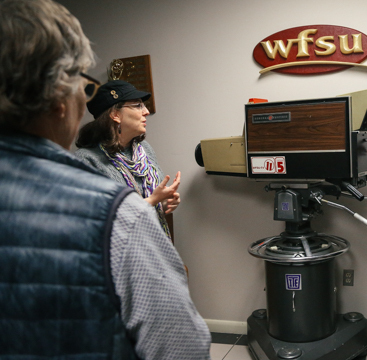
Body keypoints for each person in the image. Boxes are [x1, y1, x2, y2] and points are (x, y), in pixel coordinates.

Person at [0, 0, 211, 358]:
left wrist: (165, 202)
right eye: (82, 88)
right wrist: (150, 205)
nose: (145, 112)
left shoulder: (146, 154)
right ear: (59, 99)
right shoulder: (100, 188)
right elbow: (181, 347)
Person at [75, 80, 180, 240]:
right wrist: (151, 200)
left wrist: (165, 202)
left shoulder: (144, 149)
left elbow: (153, 204)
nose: (146, 111)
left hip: (155, 245)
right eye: (138, 105)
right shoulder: (87, 160)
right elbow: (96, 220)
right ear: (115, 114)